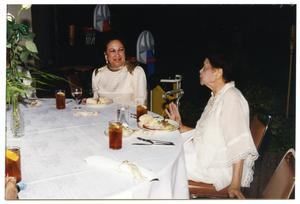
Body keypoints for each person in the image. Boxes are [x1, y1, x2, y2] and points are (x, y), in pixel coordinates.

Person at [166, 51, 258, 199]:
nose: (200, 71)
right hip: (206, 156)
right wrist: (180, 126)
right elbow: (206, 134)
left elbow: (239, 144)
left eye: (204, 67)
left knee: (168, 161)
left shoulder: (232, 98)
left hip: (218, 168)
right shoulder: (217, 97)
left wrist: (235, 184)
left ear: (217, 73)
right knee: (167, 147)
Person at [91, 38, 147, 105]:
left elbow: (141, 104)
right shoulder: (97, 74)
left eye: (120, 50)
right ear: (106, 55)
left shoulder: (136, 72)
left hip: (129, 114)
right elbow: (95, 102)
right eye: (112, 51)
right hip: (103, 115)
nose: (117, 54)